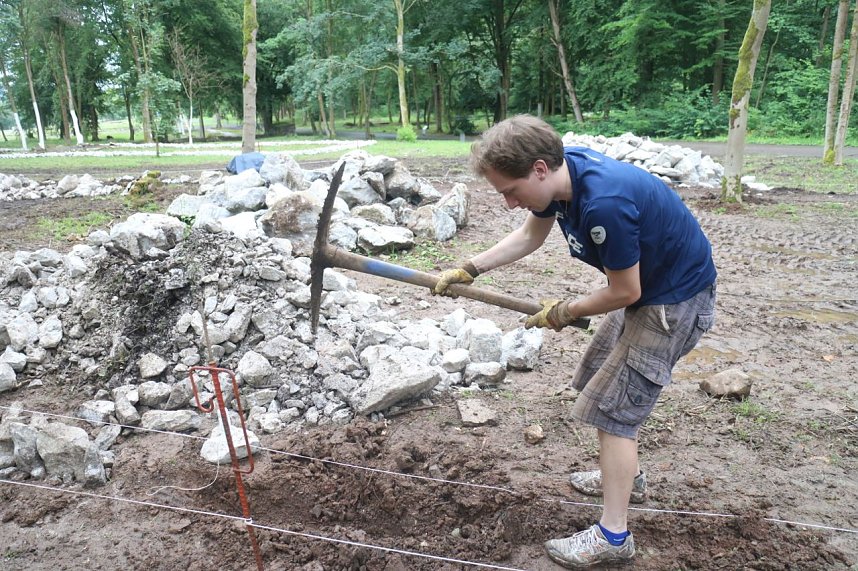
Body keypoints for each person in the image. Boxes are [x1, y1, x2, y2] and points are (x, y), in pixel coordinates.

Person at [433, 115, 717, 568]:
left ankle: (614, 536)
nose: (508, 203)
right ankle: (630, 478)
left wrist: (566, 311)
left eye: (511, 190)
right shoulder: (568, 178)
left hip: (672, 303)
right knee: (597, 378)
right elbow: (530, 233)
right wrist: (472, 267)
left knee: (613, 411)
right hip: (650, 293)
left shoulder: (604, 203)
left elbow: (626, 291)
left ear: (540, 168)